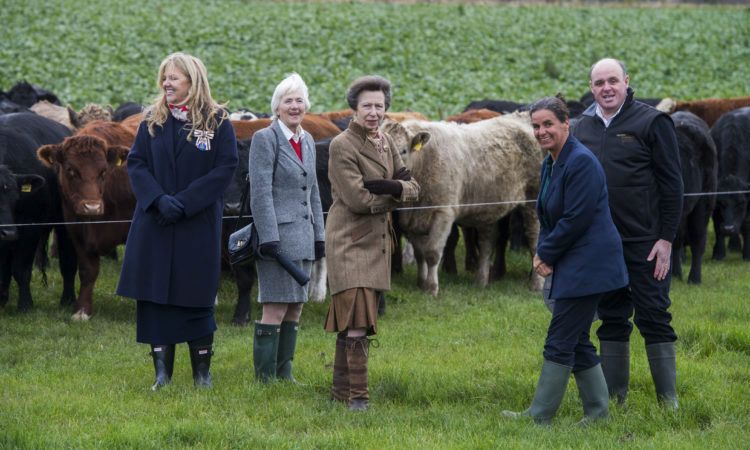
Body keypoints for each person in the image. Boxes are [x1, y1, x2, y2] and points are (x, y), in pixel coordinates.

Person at [502, 96, 628, 425]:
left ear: (565, 124)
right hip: (573, 261)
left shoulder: (581, 162)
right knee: (577, 338)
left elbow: (576, 219)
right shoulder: (551, 161)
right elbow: (546, 214)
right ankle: (599, 413)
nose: (541, 131)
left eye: (548, 124)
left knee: (559, 339)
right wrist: (544, 252)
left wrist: (546, 254)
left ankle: (540, 415)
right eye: (536, 126)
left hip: (591, 265)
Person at [117, 52, 239, 390]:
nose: (166, 83)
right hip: (155, 221)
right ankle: (162, 375)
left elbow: (224, 168)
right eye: (164, 78)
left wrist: (184, 203)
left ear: (193, 80)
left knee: (195, 295)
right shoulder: (151, 120)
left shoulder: (217, 121)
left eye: (174, 77)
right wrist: (157, 200)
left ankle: (202, 373)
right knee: (156, 298)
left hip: (195, 223)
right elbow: (137, 163)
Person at [572, 58, 683, 410]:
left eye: (612, 81)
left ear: (626, 82)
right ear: (591, 87)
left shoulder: (652, 122)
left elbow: (673, 185)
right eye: (599, 83)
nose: (606, 88)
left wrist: (666, 239)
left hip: (645, 243)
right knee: (612, 315)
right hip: (602, 244)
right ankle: (616, 398)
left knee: (653, 315)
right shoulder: (581, 127)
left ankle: (669, 400)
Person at [324, 75, 420, 411]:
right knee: (358, 320)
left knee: (354, 319)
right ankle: (358, 398)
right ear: (355, 107)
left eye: (379, 106)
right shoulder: (342, 146)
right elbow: (359, 200)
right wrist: (395, 190)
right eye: (367, 105)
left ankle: (340, 393)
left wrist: (391, 186)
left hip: (375, 241)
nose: (374, 112)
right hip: (349, 240)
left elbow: (413, 187)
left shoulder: (385, 142)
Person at [249, 73, 325, 383]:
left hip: (303, 238)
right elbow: (261, 192)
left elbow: (315, 191)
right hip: (277, 241)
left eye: (299, 100)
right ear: (277, 107)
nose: (294, 106)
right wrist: (269, 238)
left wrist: (319, 236)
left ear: (306, 105)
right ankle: (265, 379)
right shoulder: (265, 139)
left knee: (295, 308)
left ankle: (285, 374)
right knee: (275, 309)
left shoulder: (307, 140)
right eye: (288, 101)